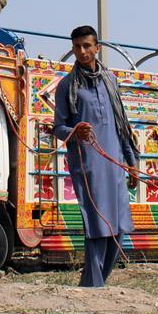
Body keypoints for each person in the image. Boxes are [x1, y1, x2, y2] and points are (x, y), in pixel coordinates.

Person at [53, 25, 138, 287]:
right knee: (97, 224)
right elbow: (58, 127)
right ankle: (93, 284)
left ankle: (97, 280)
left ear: (96, 47)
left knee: (119, 225)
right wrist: (74, 131)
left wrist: (132, 162)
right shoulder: (67, 86)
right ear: (72, 49)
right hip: (88, 164)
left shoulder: (110, 81)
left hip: (114, 163)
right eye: (77, 47)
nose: (83, 51)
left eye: (87, 46)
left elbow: (122, 125)